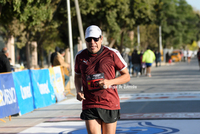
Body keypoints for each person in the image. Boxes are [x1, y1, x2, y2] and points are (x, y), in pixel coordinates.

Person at [74, 25, 130, 134]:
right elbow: (78, 76)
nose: (92, 42)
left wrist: (110, 82)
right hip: (89, 103)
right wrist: (78, 91)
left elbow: (126, 76)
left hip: (109, 103)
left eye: (95, 39)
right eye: (89, 39)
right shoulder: (80, 56)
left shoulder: (112, 53)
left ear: (101, 39)